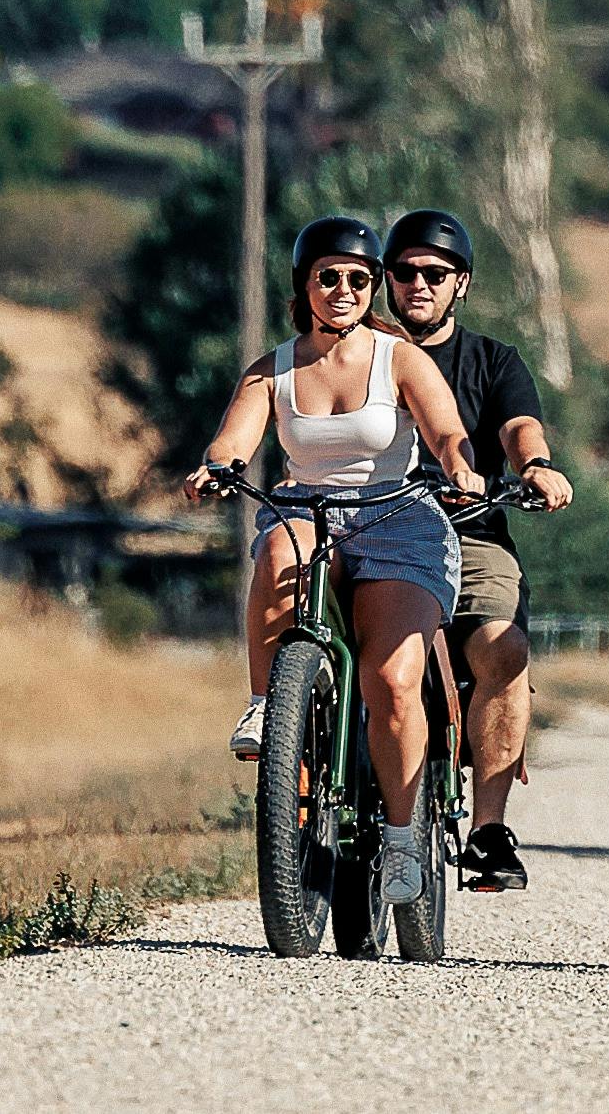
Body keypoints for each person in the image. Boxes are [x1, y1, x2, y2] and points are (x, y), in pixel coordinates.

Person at [187, 212, 480, 915]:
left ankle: (406, 837)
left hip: (397, 517)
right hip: (308, 509)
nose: (343, 289)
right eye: (329, 277)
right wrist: (216, 467)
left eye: (357, 278)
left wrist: (461, 469)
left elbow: (446, 429)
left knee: (390, 675)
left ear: (372, 285)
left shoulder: (399, 357)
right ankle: (269, 706)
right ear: (305, 285)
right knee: (279, 549)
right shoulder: (275, 368)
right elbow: (235, 436)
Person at [375, 206, 576, 893]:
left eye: (435, 273)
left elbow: (520, 426)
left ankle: (488, 831)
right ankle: (295, 765)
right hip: (369, 529)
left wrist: (535, 466)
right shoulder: (356, 353)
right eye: (403, 272)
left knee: (503, 648)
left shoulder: (494, 361)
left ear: (462, 282)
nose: (418, 285)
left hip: (471, 533)